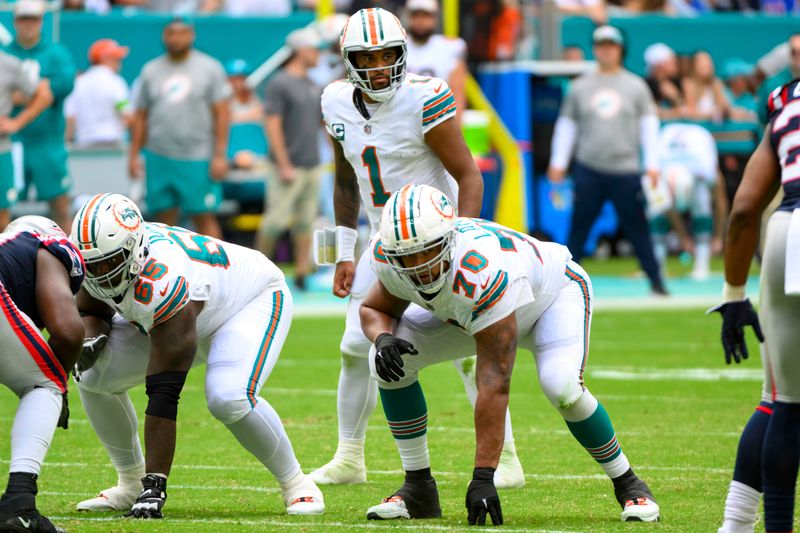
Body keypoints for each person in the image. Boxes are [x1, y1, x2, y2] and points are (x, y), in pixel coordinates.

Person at [311, 7, 525, 489]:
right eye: (367, 58)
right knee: (353, 347)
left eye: (389, 55)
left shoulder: (425, 98)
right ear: (348, 61)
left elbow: (469, 174)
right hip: (383, 246)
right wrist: (345, 249)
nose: (380, 67)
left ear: (404, 54)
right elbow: (346, 179)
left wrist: (466, 239)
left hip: (436, 243)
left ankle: (507, 459)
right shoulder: (334, 101)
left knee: (471, 349)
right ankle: (349, 457)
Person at [360, 184, 660, 523]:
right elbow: (374, 307)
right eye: (407, 257)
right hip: (470, 311)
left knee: (560, 385)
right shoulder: (388, 255)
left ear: (448, 241)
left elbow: (494, 379)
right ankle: (418, 489)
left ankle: (629, 483)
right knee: (386, 362)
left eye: (425, 252)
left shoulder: (482, 269)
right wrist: (382, 336)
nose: (417, 266)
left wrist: (483, 476)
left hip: (551, 297)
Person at [70, 193, 324, 517]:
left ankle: (297, 483)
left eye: (108, 263)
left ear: (135, 249)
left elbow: (163, 394)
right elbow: (91, 307)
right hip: (175, 315)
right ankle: (129, 482)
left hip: (246, 302)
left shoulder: (163, 277)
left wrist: (156, 485)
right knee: (92, 375)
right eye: (92, 265)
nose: (100, 272)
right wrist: (90, 338)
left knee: (228, 397)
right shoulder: (100, 256)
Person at [710, 77, 800, 533]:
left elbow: (745, 208)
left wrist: (732, 295)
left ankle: (740, 525)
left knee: (782, 400)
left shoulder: (786, 99)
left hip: (787, 231)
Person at [547, 25, 666, 295]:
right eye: (601, 45)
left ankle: (656, 281)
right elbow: (567, 126)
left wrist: (653, 164)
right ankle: (563, 285)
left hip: (625, 168)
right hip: (589, 166)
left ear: (620, 50)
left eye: (611, 45)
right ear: (595, 49)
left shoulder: (636, 85)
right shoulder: (580, 86)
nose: (606, 50)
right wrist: (558, 161)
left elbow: (649, 126)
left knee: (638, 228)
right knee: (579, 227)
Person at [0, 215, 85, 533]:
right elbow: (69, 332)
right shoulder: (46, 246)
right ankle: (20, 503)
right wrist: (60, 385)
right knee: (44, 384)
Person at [129, 16, 229, 239]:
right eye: (170, 33)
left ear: (191, 34)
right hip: (159, 156)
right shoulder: (150, 70)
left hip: (197, 156)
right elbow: (141, 116)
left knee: (203, 216)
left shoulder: (210, 68)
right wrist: (134, 154)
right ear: (164, 36)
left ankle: (219, 270)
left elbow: (222, 114)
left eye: (181, 33)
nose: (176, 39)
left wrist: (220, 155)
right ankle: (164, 271)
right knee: (161, 222)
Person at [255, 28, 323, 291]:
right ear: (301, 50)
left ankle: (302, 273)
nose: (317, 54)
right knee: (275, 220)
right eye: (314, 49)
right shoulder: (280, 82)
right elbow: (271, 124)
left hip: (311, 164)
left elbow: (319, 125)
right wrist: (283, 163)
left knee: (306, 222)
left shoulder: (312, 84)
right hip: (287, 166)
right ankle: (260, 270)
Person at [8, 0, 76, 232]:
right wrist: (39, 91)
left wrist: (19, 93)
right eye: (24, 18)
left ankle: (71, 259)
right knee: (4, 205)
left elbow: (63, 86)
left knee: (60, 204)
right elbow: (43, 92)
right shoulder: (5, 53)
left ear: (41, 21)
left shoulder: (56, 53)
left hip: (48, 142)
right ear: (16, 21)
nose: (28, 24)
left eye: (33, 19)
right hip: (10, 143)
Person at [650, 123, 725, 280]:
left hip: (697, 172)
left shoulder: (705, 168)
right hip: (666, 171)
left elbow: (720, 201)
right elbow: (666, 207)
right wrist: (684, 237)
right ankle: (656, 267)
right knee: (656, 211)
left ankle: (702, 265)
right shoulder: (659, 169)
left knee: (702, 206)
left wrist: (718, 236)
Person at [0, 50, 52, 230]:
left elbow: (43, 94)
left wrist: (17, 122)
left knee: (1, 218)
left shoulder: (8, 63)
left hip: (1, 149)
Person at [404, 0, 467, 120]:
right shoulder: (397, 45)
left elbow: (458, 96)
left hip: (437, 119)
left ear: (435, 17)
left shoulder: (450, 47)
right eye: (416, 15)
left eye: (426, 15)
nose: (420, 21)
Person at [65, 39, 131, 149]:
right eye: (116, 58)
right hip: (112, 145)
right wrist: (118, 133)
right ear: (105, 58)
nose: (119, 62)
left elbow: (70, 118)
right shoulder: (115, 82)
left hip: (83, 145)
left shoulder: (78, 83)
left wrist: (68, 143)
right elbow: (127, 115)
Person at [682, 50, 730, 122]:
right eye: (700, 61)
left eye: (707, 61)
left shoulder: (717, 83)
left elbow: (725, 107)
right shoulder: (688, 83)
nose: (704, 64)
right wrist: (711, 115)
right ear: (694, 65)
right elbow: (691, 112)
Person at [643, 42, 685, 120]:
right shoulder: (644, 85)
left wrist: (675, 98)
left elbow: (686, 111)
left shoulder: (678, 82)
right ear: (660, 65)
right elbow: (647, 113)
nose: (676, 64)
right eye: (671, 61)